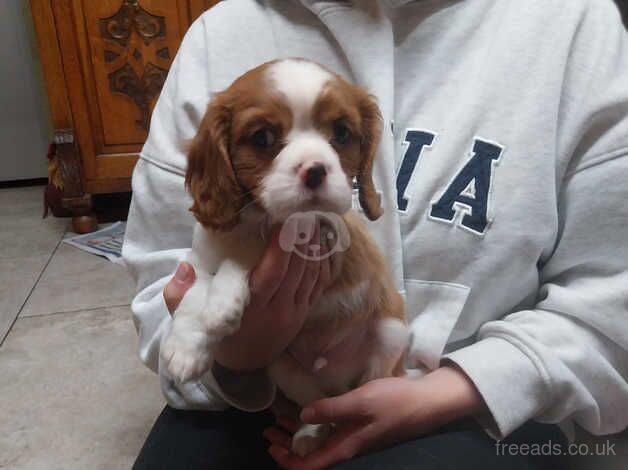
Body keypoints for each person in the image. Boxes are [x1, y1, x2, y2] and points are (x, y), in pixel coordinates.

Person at [122, 0, 628, 468]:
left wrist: (453, 390)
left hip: (487, 403)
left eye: (340, 135)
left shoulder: (572, 22)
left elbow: (609, 308)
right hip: (247, 401)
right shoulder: (219, 33)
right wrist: (236, 354)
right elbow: (163, 294)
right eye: (263, 138)